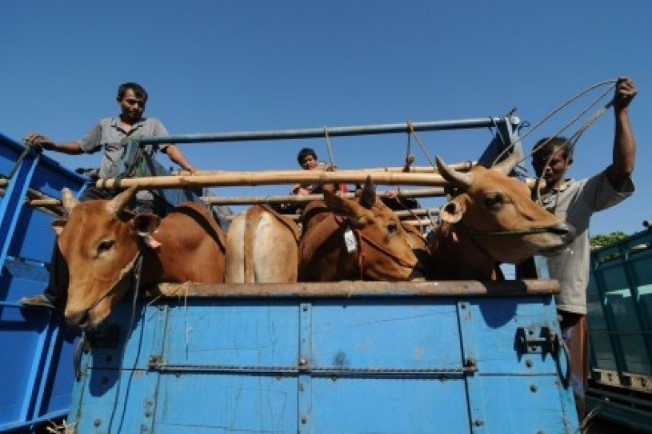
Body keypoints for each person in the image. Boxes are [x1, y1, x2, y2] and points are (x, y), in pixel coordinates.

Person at [19, 81, 197, 309]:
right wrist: (54, 145)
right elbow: (82, 146)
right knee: (71, 231)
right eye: (131, 102)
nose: (136, 107)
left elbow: (169, 148)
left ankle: (129, 294)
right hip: (104, 188)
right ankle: (54, 295)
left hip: (137, 192)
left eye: (140, 104)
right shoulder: (105, 125)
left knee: (138, 238)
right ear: (119, 101)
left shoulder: (152, 125)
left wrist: (189, 168)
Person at [531, 77, 637, 420]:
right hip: (525, 302)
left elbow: (623, 170)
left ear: (569, 163)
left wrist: (620, 112)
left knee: (569, 387)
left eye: (553, 162)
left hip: (566, 307)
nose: (545, 168)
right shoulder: (524, 198)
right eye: (538, 162)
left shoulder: (581, 193)